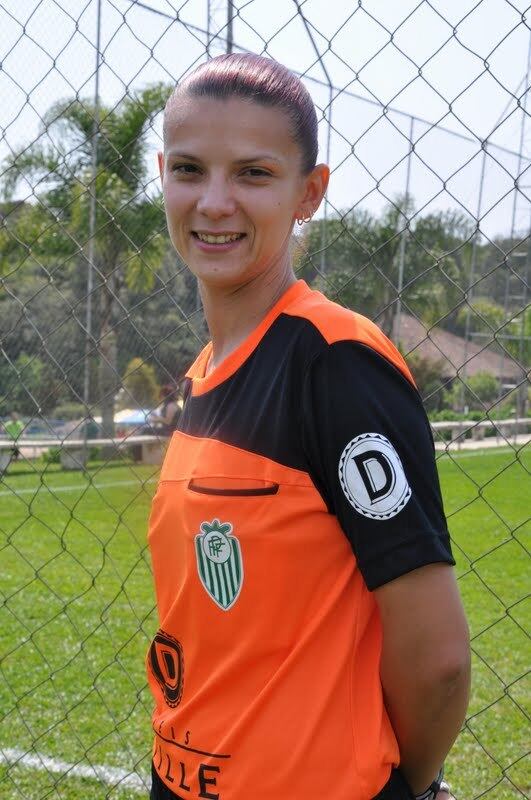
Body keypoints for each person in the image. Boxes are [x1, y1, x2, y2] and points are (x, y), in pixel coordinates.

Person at [146, 53, 470, 800]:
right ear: (163, 175)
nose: (214, 202)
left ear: (309, 192)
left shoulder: (336, 364)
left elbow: (438, 660)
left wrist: (406, 789)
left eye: (253, 174)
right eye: (189, 169)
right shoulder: (204, 372)